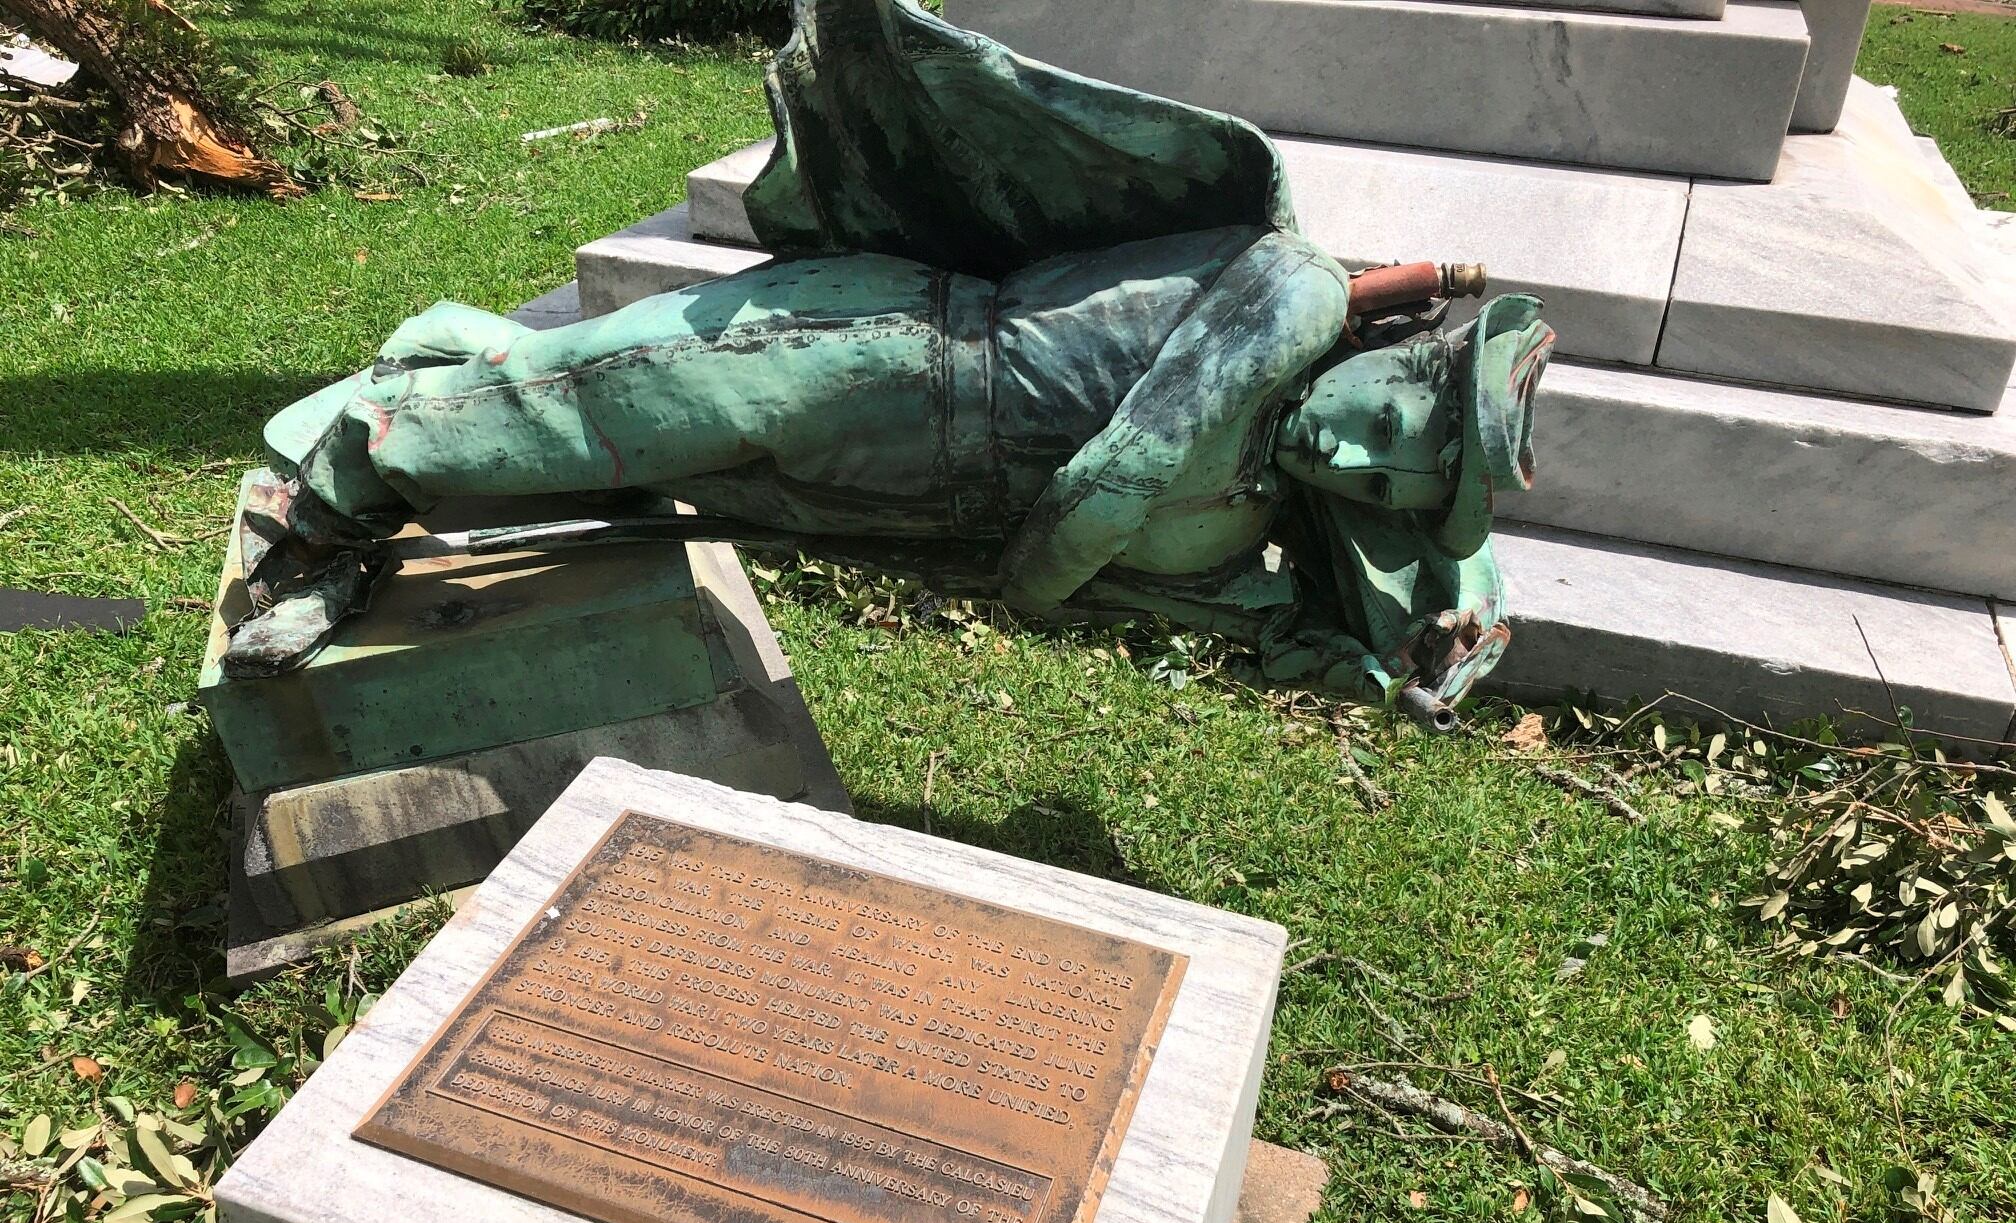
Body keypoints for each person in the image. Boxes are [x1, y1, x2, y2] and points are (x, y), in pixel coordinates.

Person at [225, 0, 1553, 724]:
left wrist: (1456, 588)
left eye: (1392, 484)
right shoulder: (1296, 297)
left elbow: (1340, 644)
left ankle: (463, 350)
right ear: (1403, 350)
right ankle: (329, 502)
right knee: (609, 418)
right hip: (890, 357)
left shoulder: (1240, 524)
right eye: (1399, 422)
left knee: (622, 460)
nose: (1360, 455)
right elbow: (1100, 498)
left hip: (902, 500)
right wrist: (1052, 576)